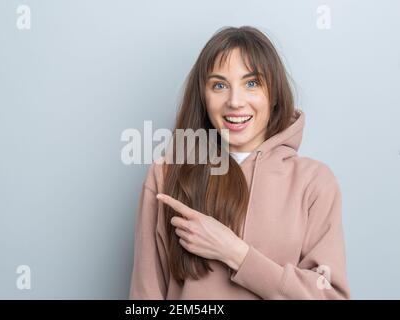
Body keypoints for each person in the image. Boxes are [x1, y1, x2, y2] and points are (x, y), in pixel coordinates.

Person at [129, 26, 351, 299]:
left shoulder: (314, 182)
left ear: (274, 95)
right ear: (203, 96)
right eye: (219, 85)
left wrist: (235, 253)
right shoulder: (166, 174)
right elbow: (145, 297)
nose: (235, 101)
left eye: (252, 83)